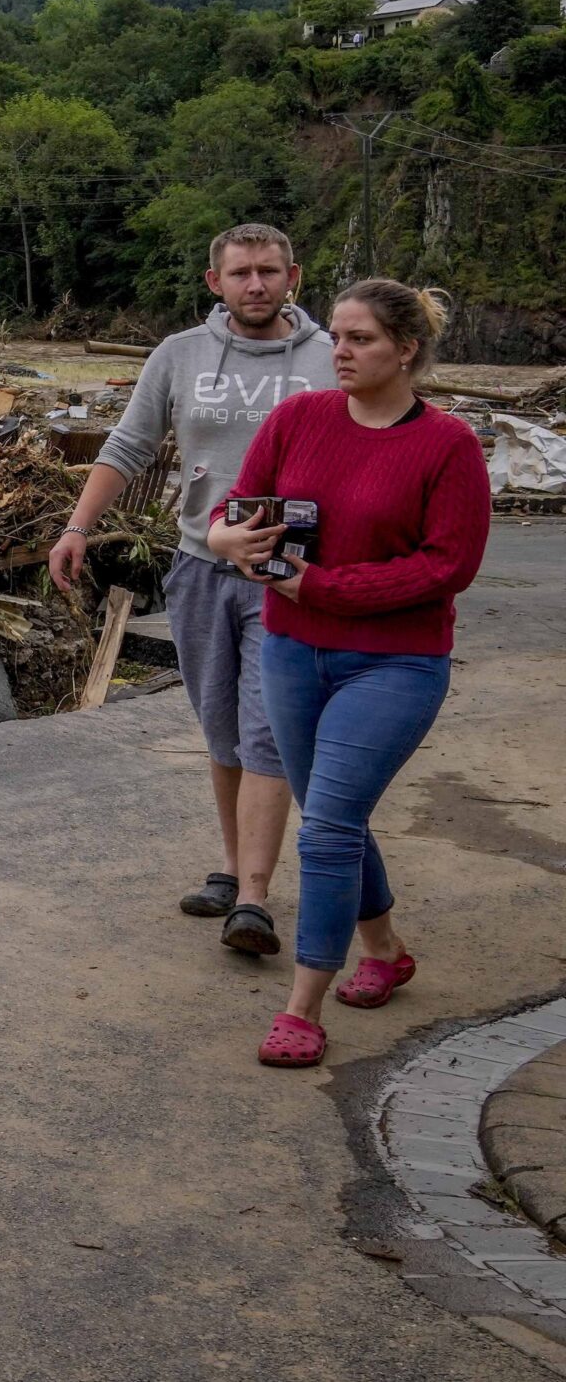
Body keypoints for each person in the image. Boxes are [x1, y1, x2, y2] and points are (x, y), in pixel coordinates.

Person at [207, 280, 489, 1068]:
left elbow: (449, 565)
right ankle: (387, 950)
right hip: (292, 650)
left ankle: (302, 1008)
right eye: (336, 336)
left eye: (360, 339)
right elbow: (236, 509)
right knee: (340, 817)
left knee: (326, 824)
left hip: (397, 663)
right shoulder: (299, 419)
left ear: (406, 349)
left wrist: (321, 587)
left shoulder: (448, 445)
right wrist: (229, 540)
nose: (340, 351)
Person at [51, 224, 330, 956]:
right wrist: (77, 527)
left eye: (270, 271)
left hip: (289, 576)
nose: (257, 285)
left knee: (268, 729)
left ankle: (256, 898)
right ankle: (232, 869)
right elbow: (129, 446)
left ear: (293, 276)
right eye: (241, 273)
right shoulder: (180, 355)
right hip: (200, 566)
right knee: (221, 728)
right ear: (216, 282)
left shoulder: (331, 358)